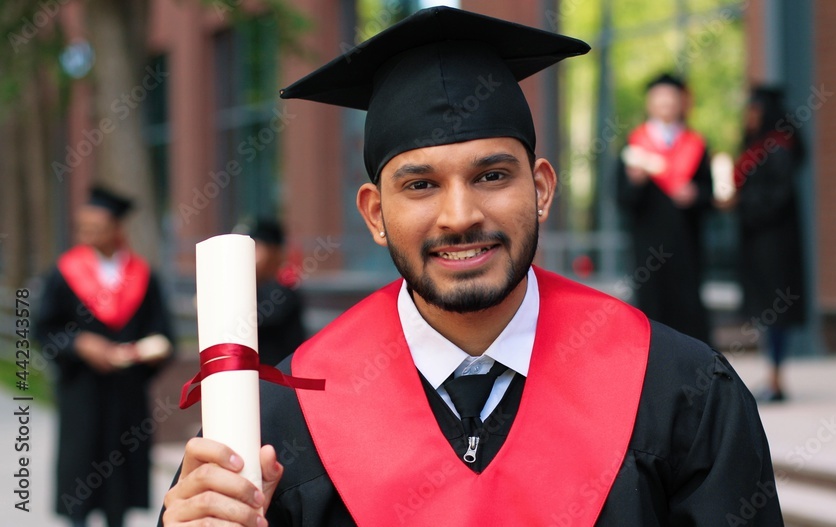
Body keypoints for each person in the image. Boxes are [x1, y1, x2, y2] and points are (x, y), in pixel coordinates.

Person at [160, 7, 781, 526]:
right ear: (375, 214)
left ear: (541, 189)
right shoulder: (283, 425)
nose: (459, 216)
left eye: (491, 175)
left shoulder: (680, 392)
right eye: (421, 184)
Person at [37, 186, 175, 527]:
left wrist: (146, 351)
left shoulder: (143, 276)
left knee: (121, 475)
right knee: (80, 471)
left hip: (125, 393)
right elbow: (44, 329)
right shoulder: (64, 273)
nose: (86, 235)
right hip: (81, 392)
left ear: (117, 229)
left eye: (95, 228)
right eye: (82, 228)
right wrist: (78, 344)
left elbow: (164, 333)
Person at [617, 73, 714, 344]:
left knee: (688, 312)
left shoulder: (696, 145)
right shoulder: (635, 145)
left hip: (686, 245)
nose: (665, 103)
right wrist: (634, 184)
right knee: (651, 312)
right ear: (649, 103)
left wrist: (696, 195)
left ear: (681, 102)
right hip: (648, 247)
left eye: (671, 97)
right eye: (658, 97)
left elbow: (711, 195)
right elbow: (620, 199)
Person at [734, 86, 807, 402]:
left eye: (754, 111)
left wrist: (741, 204)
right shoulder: (757, 148)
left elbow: (777, 197)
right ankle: (773, 376)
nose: (749, 118)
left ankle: (777, 380)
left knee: (776, 311)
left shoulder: (777, 149)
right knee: (768, 312)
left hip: (776, 245)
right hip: (760, 242)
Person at [244, 218, 307, 366]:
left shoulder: (283, 292)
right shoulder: (255, 286)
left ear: (273, 252)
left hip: (277, 376)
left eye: (257, 247)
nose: (251, 255)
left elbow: (257, 317)